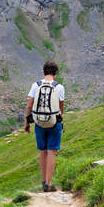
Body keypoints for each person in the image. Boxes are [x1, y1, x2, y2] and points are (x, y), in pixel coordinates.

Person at [24, 60, 65, 192]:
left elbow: (29, 105)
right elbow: (61, 108)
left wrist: (27, 122)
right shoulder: (59, 87)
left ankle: (43, 181)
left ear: (43, 72)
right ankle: (48, 183)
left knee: (42, 151)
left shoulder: (36, 85)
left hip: (39, 122)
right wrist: (59, 121)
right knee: (52, 151)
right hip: (54, 122)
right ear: (56, 73)